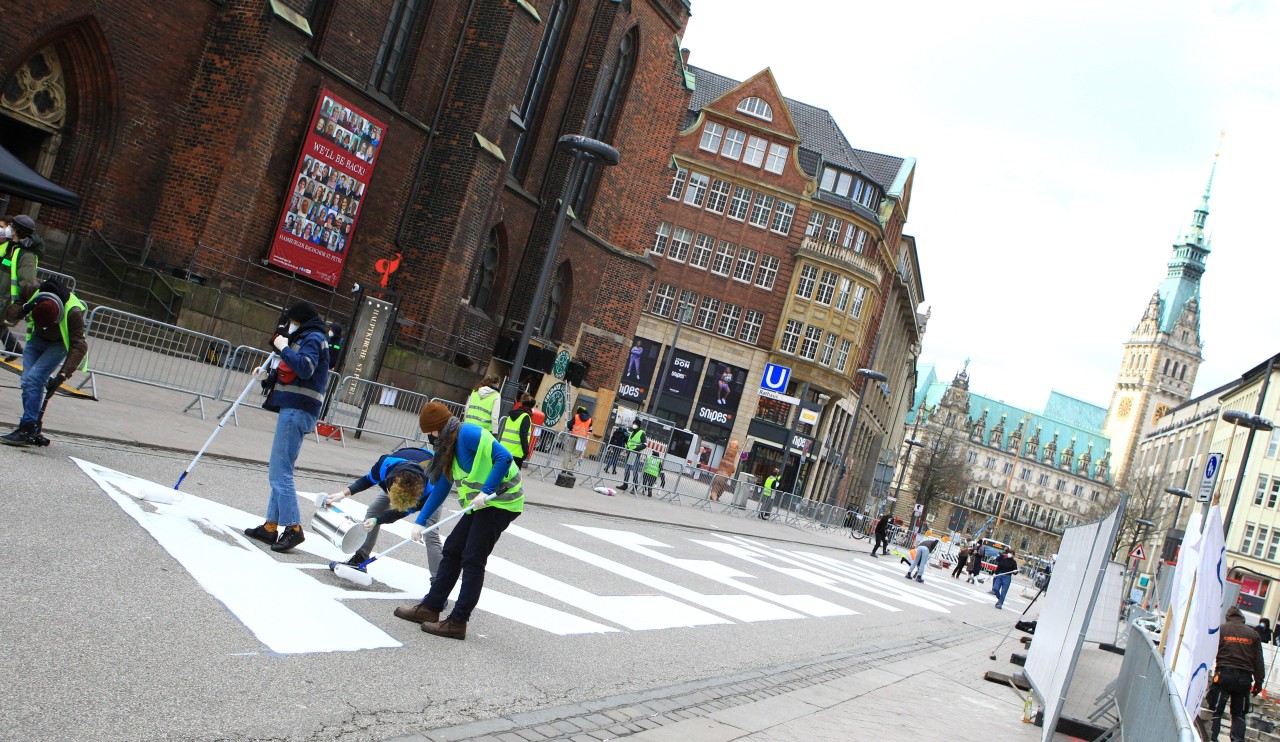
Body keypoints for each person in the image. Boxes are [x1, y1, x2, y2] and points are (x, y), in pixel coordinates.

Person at [393, 401, 523, 640]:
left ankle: (458, 621)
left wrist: (487, 489)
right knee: (453, 550)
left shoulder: (468, 434)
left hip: (501, 501)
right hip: (481, 504)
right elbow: (442, 486)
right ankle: (431, 607)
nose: (430, 438)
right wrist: (421, 522)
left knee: (473, 558)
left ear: (438, 427)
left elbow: (503, 457)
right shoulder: (447, 447)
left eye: (430, 432)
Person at [244, 302, 330, 553]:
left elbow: (304, 368)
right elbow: (292, 372)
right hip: (298, 408)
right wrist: (267, 378)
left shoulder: (312, 338)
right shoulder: (310, 336)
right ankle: (271, 527)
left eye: (291, 321)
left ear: (298, 320)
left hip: (297, 409)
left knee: (280, 472)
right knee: (281, 469)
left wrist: (283, 348)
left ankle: (293, 528)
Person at [322, 447, 442, 577]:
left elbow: (398, 512)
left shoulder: (428, 490)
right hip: (404, 475)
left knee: (430, 534)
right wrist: (343, 494)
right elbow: (368, 479)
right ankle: (360, 558)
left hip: (434, 488)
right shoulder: (386, 465)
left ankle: (439, 583)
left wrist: (378, 521)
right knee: (374, 511)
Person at [0, 281, 87, 446]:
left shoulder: (73, 312)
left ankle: (27, 426)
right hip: (36, 339)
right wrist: (25, 308)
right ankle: (32, 426)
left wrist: (63, 374)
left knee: (35, 379)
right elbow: (10, 316)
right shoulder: (31, 290)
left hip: (58, 344)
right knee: (27, 381)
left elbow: (79, 345)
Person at [1209, 606, 1267, 742]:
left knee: (1216, 709)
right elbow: (1259, 660)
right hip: (1244, 679)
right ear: (1242, 618)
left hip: (1223, 674)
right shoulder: (1253, 634)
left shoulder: (1221, 630)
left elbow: (1209, 650)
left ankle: (1211, 738)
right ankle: (1237, 739)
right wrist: (1259, 682)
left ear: (1228, 617)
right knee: (1239, 713)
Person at [1, 215, 43, 355]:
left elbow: (28, 283)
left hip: (6, 300)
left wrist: (21, 306)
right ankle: (13, 347)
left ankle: (14, 347)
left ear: (17, 230)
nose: (8, 228)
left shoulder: (26, 255)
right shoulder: (10, 247)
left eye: (11, 226)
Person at [497, 394, 534, 469]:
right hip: (516, 453)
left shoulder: (511, 416)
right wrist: (526, 451)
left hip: (504, 449)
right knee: (514, 478)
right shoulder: (525, 417)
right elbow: (523, 435)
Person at [618, 420, 647, 491]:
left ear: (638, 425)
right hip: (630, 453)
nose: (634, 425)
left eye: (635, 424)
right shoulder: (632, 433)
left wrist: (635, 449)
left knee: (634, 471)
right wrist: (627, 448)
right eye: (633, 423)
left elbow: (644, 445)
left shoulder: (642, 433)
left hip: (635, 454)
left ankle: (635, 487)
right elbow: (629, 442)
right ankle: (625, 484)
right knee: (627, 469)